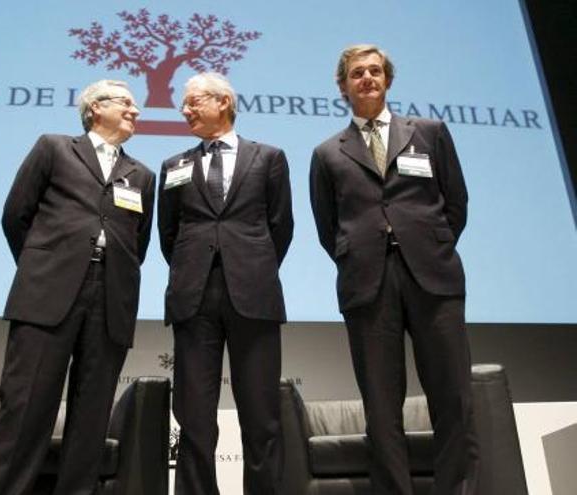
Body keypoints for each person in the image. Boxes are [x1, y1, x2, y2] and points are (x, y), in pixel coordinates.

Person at [309, 44, 478, 494]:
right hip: (368, 284)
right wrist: (363, 254)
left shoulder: (430, 131)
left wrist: (431, 246)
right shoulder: (327, 153)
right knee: (382, 406)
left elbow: (455, 204)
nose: (368, 78)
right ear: (343, 86)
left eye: (376, 71)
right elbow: (329, 227)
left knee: (454, 398)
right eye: (358, 73)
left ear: (388, 79)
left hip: (433, 276)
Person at [0, 80, 155, 495]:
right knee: (25, 410)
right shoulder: (54, 148)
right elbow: (15, 215)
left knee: (91, 420)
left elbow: (137, 244)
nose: (135, 111)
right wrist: (45, 266)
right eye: (125, 103)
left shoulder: (142, 175)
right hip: (47, 293)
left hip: (110, 300)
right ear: (94, 108)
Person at [158, 72, 293, 495]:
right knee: (194, 416)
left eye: (194, 101)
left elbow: (280, 227)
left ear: (224, 102)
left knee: (261, 416)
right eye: (184, 103)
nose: (185, 109)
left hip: (253, 295)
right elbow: (169, 234)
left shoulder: (268, 157)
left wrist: (251, 267)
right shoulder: (174, 165)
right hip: (193, 298)